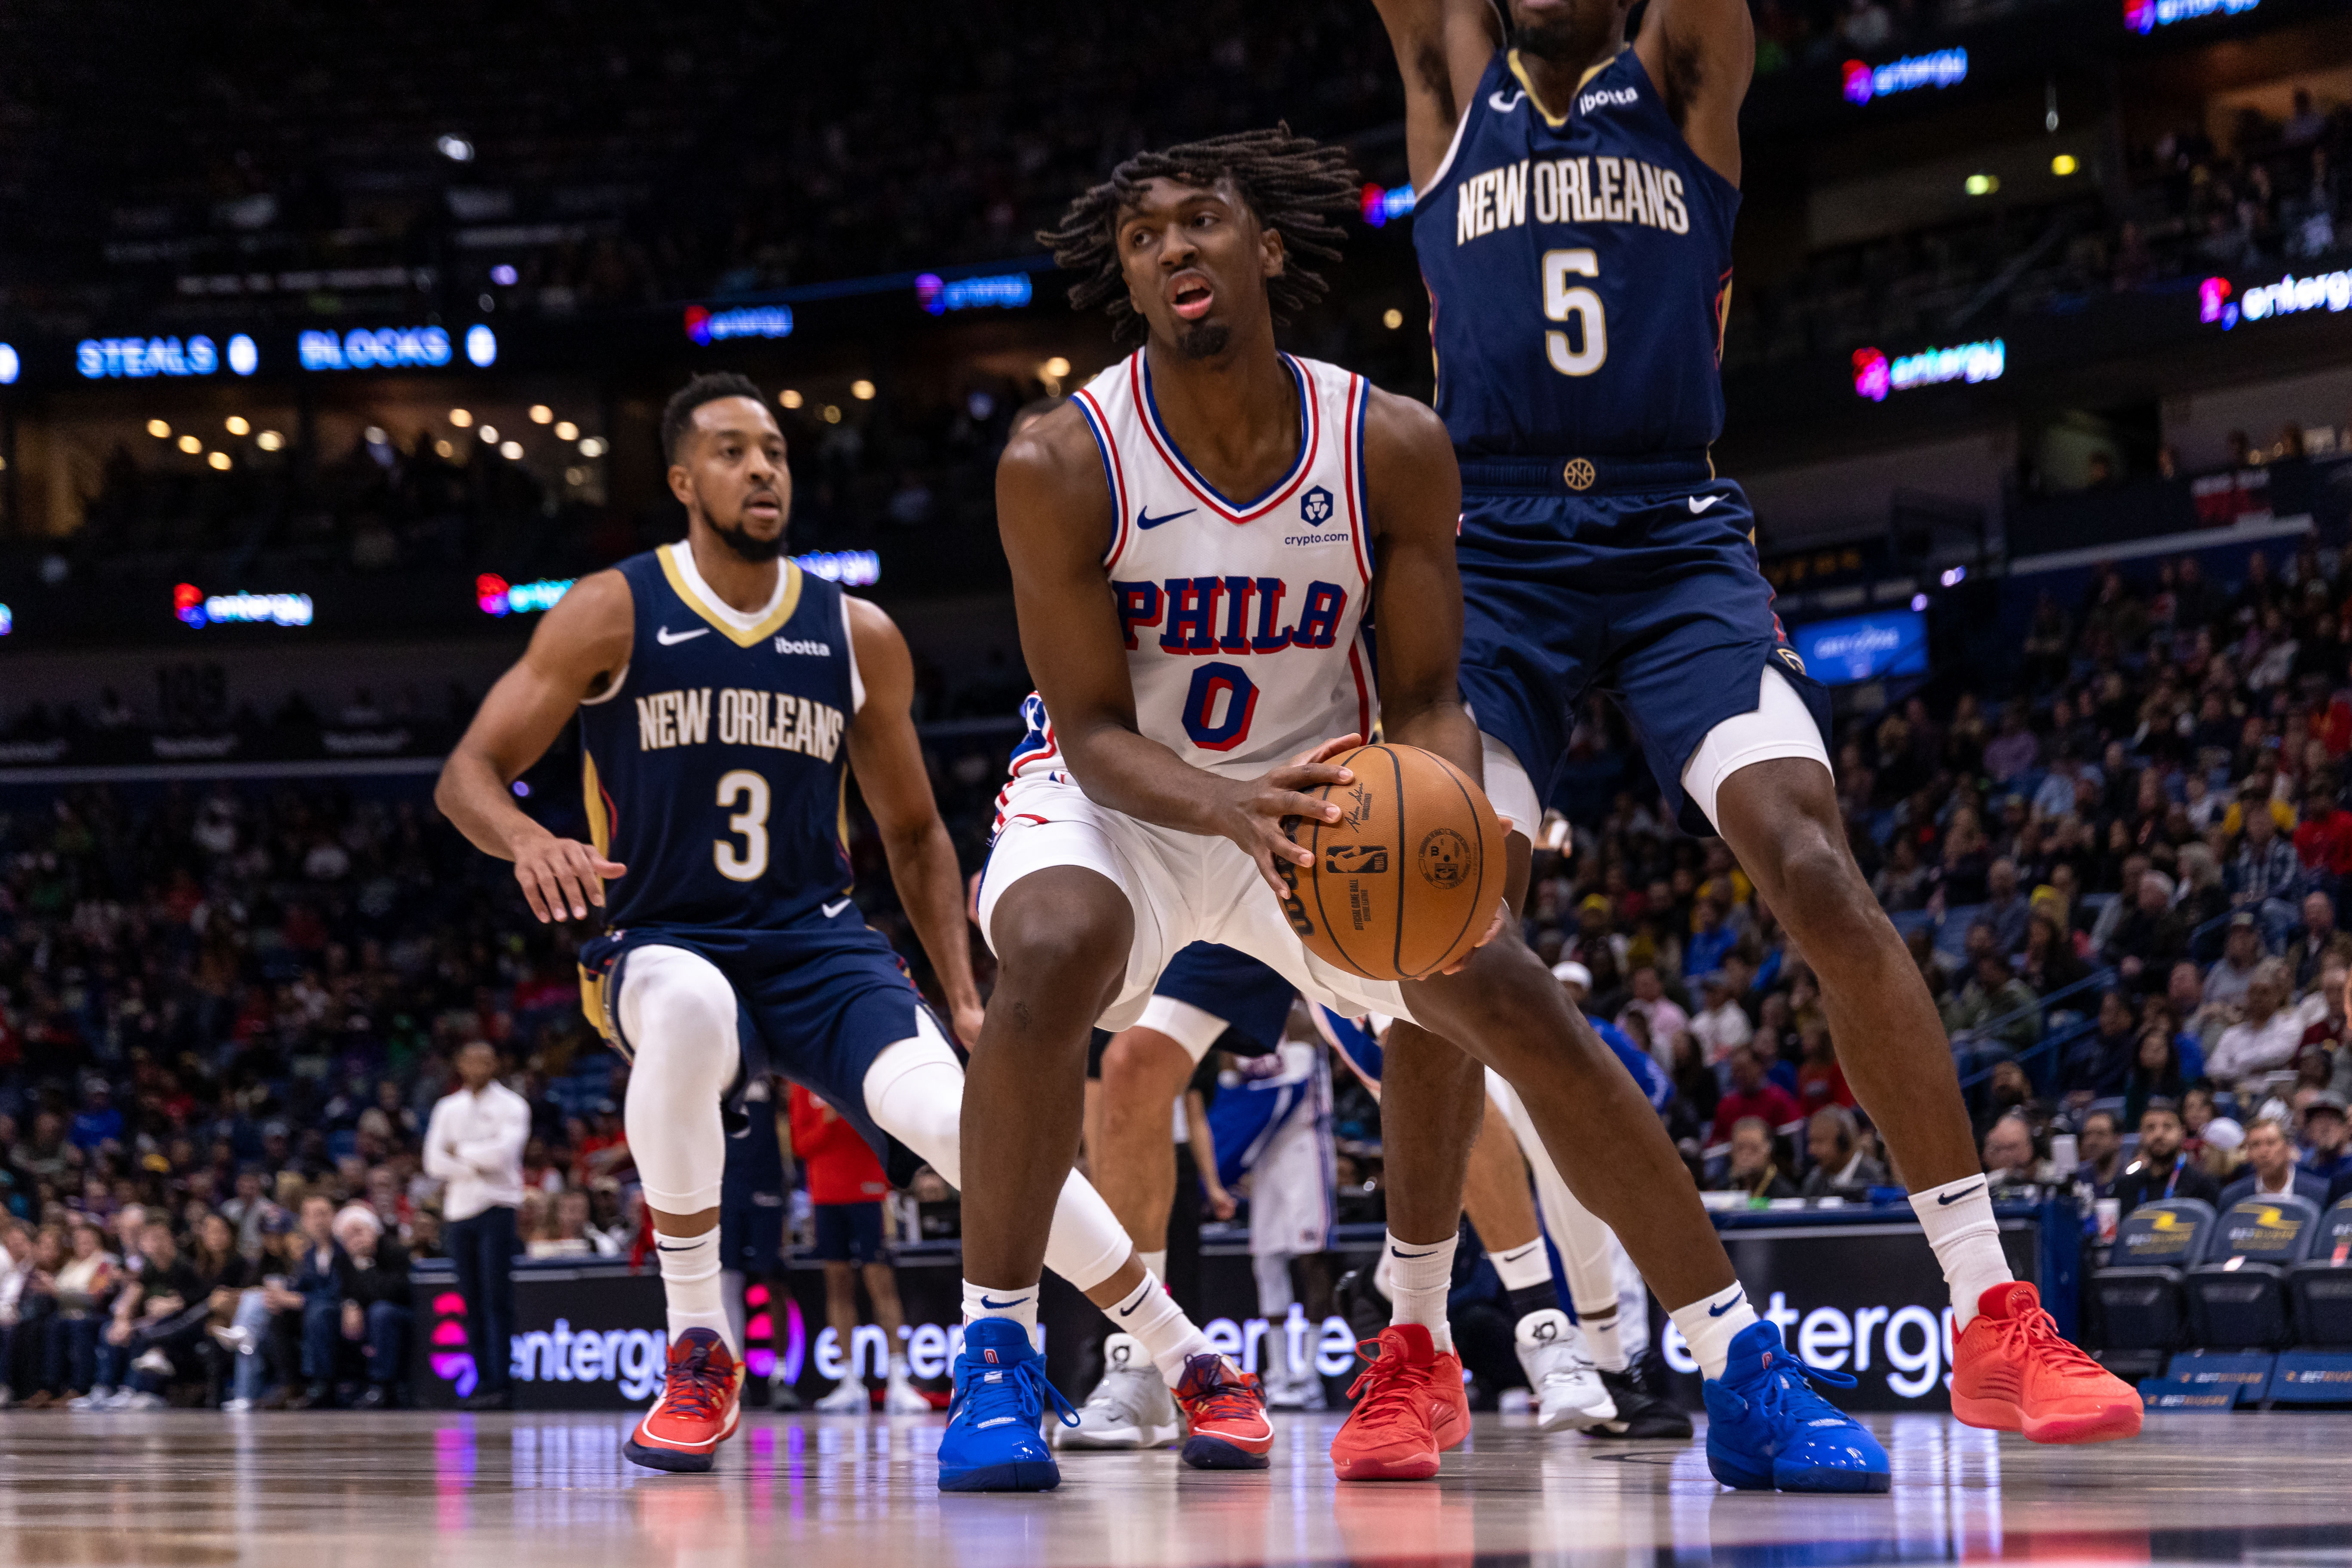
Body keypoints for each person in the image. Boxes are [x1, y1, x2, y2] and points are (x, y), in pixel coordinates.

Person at [971, 128, 1876, 1498]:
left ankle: (1740, 1365)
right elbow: (1091, 733)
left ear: (1265, 247)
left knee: (1513, 999)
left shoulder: (1387, 441)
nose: (1171, 250)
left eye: (1201, 220)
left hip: (1331, 802)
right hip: (1138, 806)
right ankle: (997, 1354)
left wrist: (1443, 816)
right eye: (1142, 236)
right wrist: (1229, 808)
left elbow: (1436, 690)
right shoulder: (1062, 456)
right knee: (1048, 948)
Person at [1365, 0, 2130, 1453]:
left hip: (1674, 534)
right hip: (1495, 545)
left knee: (1816, 864)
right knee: (1443, 915)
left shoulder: (1686, 71)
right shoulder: (1451, 81)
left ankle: (1992, 1313)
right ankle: (1411, 1342)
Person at [438, 372, 1256, 1481]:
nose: (761, 468)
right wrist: (528, 840)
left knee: (970, 1126)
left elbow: (916, 835)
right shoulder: (613, 608)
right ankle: (698, 1347)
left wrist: (962, 992)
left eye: (772, 449)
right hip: (665, 931)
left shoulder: (853, 633)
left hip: (816, 942)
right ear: (682, 481)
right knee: (681, 1009)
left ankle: (1186, 1355)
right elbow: (468, 776)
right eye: (730, 452)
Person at [786, 1082, 925, 1415]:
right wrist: (828, 1121)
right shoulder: (800, 1085)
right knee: (838, 1286)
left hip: (868, 1190)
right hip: (825, 1197)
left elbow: (887, 1132)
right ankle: (849, 1382)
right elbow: (800, 1145)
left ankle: (898, 1382)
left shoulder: (859, 1078)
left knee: (881, 1283)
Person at [421, 1041, 528, 1411]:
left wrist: (460, 1153)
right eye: (470, 1059)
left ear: (496, 1063)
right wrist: (476, 1162)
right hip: (459, 1212)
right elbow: (433, 1162)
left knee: (496, 1299)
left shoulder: (512, 1106)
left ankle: (502, 1383)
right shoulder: (448, 1108)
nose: (478, 1066)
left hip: (497, 1208)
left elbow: (504, 1156)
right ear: (460, 1064)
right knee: (471, 1300)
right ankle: (483, 1383)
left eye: (485, 1059)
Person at [2111, 1099, 2222, 1214]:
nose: (2159, 1134)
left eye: (2168, 1127)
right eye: (2150, 1128)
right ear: (2141, 1136)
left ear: (2183, 1133)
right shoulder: (2125, 1187)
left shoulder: (2203, 1186)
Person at [2218, 1117, 2331, 1208]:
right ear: (2249, 1154)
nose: (2264, 1152)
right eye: (2256, 1145)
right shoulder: (2232, 1198)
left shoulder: (2320, 1193)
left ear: (2288, 1149)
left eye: (2271, 1143)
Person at [1709, 1047, 1801, 1146]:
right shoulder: (1726, 1105)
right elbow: (1716, 1141)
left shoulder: (1778, 1098)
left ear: (1759, 1067)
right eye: (1736, 1071)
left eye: (1744, 1069)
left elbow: (1795, 1129)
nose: (1740, 1075)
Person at [1798, 1107, 1886, 1196]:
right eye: (1811, 1142)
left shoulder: (1876, 1180)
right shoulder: (1814, 1181)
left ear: (1844, 1143)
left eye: (1820, 1142)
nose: (1811, 1150)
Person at [1712, 1118, 1796, 1200]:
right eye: (1740, 1148)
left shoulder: (1785, 1195)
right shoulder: (1724, 1191)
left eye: (1754, 1149)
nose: (1745, 1155)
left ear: (1768, 1151)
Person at [2075, 1109, 2125, 1201]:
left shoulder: (2128, 1177)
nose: (2092, 1141)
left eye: (2100, 1134)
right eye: (2088, 1134)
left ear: (2118, 1139)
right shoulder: (2078, 1178)